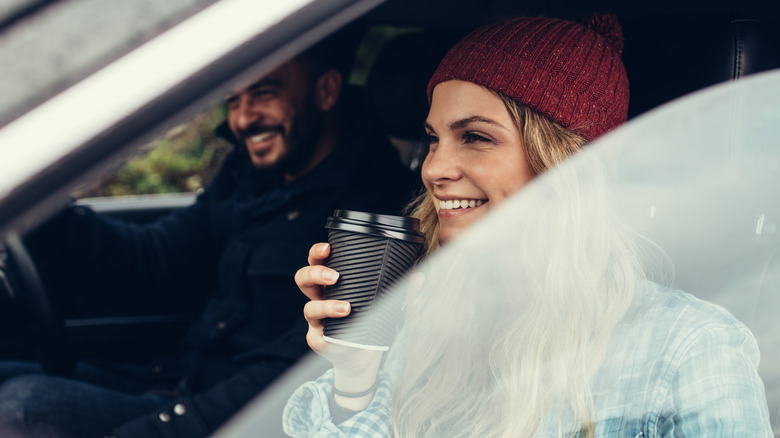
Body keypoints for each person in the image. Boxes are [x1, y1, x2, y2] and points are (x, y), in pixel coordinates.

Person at [283, 14, 773, 437]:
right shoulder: (421, 317)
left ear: (565, 163)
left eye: (474, 137)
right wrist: (355, 378)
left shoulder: (688, 348)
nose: (433, 168)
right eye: (432, 138)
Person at [0, 29, 416, 438]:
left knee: (20, 408)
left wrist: (157, 429)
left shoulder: (374, 217)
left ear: (326, 91)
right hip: (177, 379)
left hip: (228, 418)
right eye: (234, 100)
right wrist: (38, 213)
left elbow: (294, 372)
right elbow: (155, 256)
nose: (242, 119)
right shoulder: (250, 175)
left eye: (265, 94)